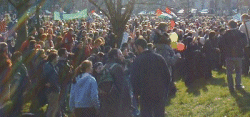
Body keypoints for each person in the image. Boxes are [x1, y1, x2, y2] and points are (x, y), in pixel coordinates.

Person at [131, 39, 170, 117]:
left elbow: (134, 79)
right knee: (159, 114)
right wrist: (164, 89)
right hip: (159, 92)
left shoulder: (137, 60)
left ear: (139, 47)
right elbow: (167, 75)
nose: (135, 50)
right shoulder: (159, 57)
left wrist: (136, 94)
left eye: (135, 48)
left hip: (145, 94)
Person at [98, 48, 132, 117]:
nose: (122, 56)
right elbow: (123, 88)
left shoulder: (104, 67)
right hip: (117, 104)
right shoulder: (117, 67)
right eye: (120, 54)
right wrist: (129, 104)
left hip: (104, 102)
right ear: (115, 56)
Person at [219, 20, 247, 92]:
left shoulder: (225, 34)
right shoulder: (241, 34)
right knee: (238, 70)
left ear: (229, 26)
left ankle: (231, 86)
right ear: (236, 25)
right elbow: (245, 44)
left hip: (228, 55)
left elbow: (221, 45)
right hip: (238, 54)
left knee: (229, 71)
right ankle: (238, 85)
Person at [43, 52, 60, 117]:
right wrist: (48, 83)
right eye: (57, 58)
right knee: (52, 107)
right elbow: (47, 77)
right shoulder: (48, 66)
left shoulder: (54, 66)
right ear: (53, 58)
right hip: (52, 89)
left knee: (54, 106)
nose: (58, 59)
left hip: (54, 88)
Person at [57, 48, 73, 116]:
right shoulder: (60, 63)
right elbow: (62, 74)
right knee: (61, 98)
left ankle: (62, 110)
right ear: (63, 54)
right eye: (66, 52)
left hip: (66, 82)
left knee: (64, 97)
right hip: (63, 82)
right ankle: (59, 112)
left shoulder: (65, 61)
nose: (68, 53)